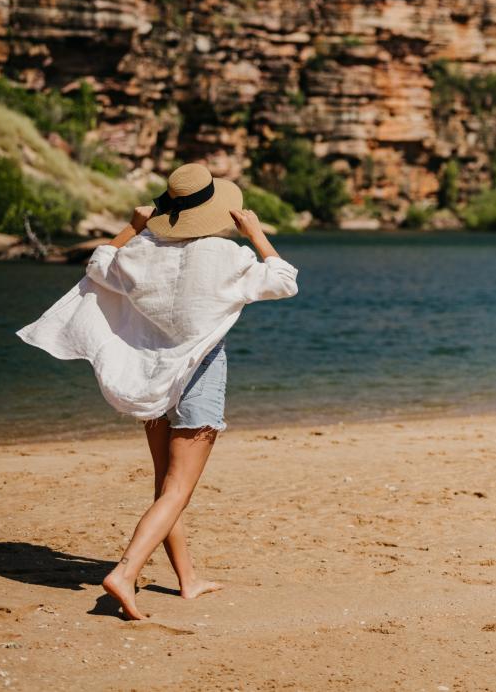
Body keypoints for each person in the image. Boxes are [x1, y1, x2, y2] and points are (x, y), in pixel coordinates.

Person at [17, 162, 299, 620]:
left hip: (154, 379)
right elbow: (284, 281)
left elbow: (97, 263)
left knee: (165, 485)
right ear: (218, 211)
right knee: (178, 490)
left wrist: (131, 227)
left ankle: (187, 580)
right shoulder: (228, 256)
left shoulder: (141, 252)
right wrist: (256, 234)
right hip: (198, 374)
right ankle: (125, 572)